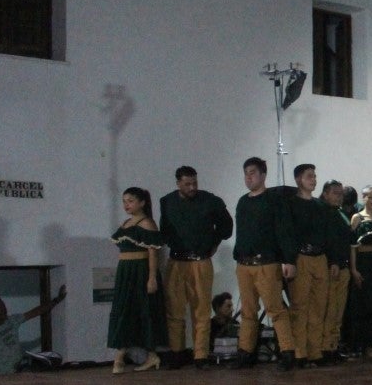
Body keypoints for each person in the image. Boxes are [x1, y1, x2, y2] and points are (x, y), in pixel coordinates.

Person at [159, 165, 233, 370]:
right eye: (187, 184)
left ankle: (200, 354)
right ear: (178, 184)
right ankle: (177, 352)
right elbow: (164, 229)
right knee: (174, 308)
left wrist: (214, 243)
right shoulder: (167, 202)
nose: (192, 187)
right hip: (177, 260)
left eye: (194, 183)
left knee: (200, 309)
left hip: (200, 260)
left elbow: (227, 226)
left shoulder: (210, 201)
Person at [231, 156, 297, 371]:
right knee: (248, 311)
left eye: (252, 173)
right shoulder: (243, 201)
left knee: (275, 309)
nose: (248, 177)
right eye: (246, 173)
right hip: (244, 263)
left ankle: (287, 352)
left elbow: (285, 231)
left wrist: (288, 259)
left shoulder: (274, 200)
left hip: (266, 263)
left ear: (263, 175)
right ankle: (245, 352)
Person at [108, 187, 168, 373]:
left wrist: (152, 278)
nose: (127, 205)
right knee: (124, 310)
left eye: (131, 201)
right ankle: (142, 356)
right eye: (125, 201)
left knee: (142, 310)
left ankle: (122, 359)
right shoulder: (126, 223)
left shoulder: (147, 223)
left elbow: (153, 253)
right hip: (125, 273)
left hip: (140, 272)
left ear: (142, 202)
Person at [285, 163, 334, 368]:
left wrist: (333, 261)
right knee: (299, 305)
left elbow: (329, 236)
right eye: (308, 176)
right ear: (298, 180)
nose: (313, 179)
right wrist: (288, 259)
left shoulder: (321, 206)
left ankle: (315, 351)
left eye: (314, 176)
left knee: (318, 306)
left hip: (320, 257)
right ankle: (299, 352)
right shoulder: (290, 204)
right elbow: (286, 234)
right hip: (301, 257)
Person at [348, 186, 372, 359]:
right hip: (362, 262)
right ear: (363, 198)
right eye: (369, 197)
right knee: (363, 304)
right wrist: (354, 269)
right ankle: (365, 345)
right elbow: (352, 246)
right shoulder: (357, 218)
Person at [0, 285, 67, 376]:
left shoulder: (13, 320)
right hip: (0, 374)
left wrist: (57, 300)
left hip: (17, 371)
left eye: (3, 306)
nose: (3, 309)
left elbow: (36, 311)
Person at [319, 179, 354, 364]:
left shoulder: (339, 213)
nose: (339, 197)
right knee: (330, 309)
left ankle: (333, 345)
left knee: (339, 310)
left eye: (341, 194)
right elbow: (328, 240)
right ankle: (324, 347)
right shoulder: (323, 212)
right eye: (335, 193)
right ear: (325, 193)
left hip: (344, 266)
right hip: (332, 267)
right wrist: (333, 261)